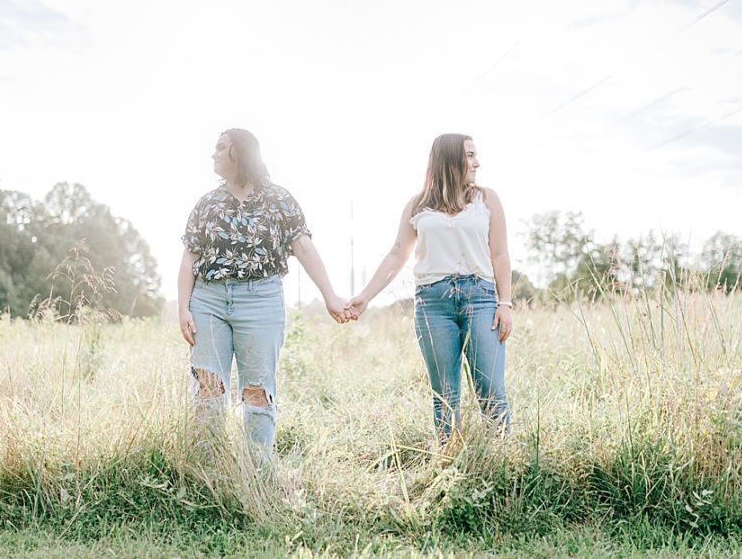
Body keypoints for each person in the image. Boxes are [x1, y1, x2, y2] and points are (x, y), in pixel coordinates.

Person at [178, 128, 348, 459]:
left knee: (257, 391)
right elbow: (189, 258)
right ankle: (207, 472)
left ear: (239, 153)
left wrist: (330, 296)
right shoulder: (208, 203)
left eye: (220, 148)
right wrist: (183, 308)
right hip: (209, 301)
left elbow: (303, 246)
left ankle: (259, 475)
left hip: (261, 301)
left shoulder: (278, 199)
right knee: (208, 389)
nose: (213, 154)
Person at [346, 133, 513, 442]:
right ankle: (448, 462)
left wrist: (505, 303)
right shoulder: (418, 204)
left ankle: (502, 458)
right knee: (445, 394)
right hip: (433, 304)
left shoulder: (486, 199)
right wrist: (365, 297)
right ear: (450, 159)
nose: (477, 162)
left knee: (490, 387)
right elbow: (397, 253)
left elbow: (500, 254)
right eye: (470, 155)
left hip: (482, 299)